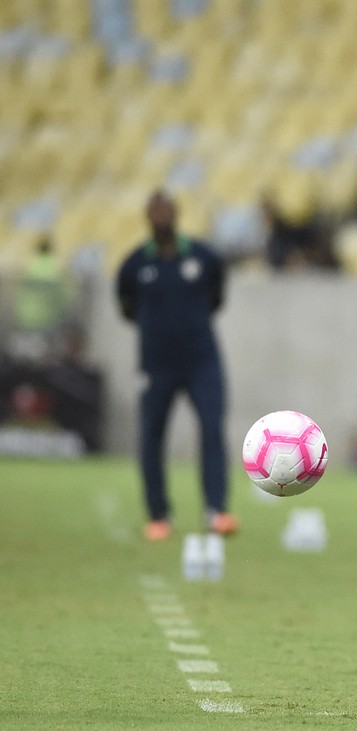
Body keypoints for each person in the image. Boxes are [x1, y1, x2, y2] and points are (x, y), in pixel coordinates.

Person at [116, 190, 239, 541]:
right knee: (152, 437)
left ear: (176, 213)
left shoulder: (203, 258)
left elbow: (217, 298)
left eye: (165, 210)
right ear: (146, 217)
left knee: (212, 430)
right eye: (154, 211)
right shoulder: (135, 265)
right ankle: (159, 515)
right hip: (156, 365)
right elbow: (127, 309)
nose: (161, 216)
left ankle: (216, 510)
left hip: (202, 361)